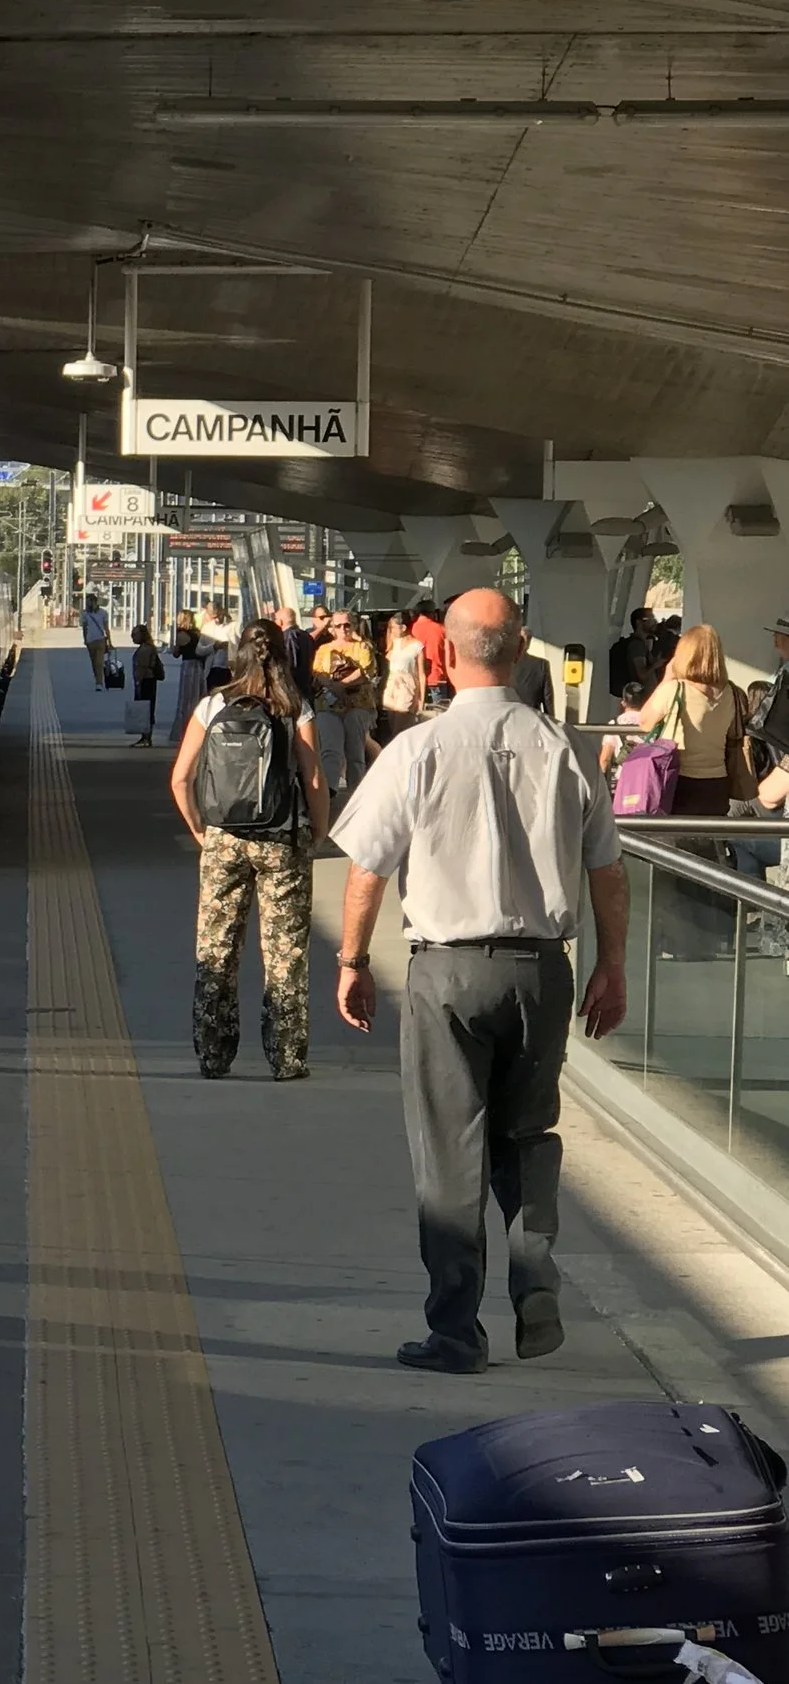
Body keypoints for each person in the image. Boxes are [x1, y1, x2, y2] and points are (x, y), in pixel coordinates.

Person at [332, 588, 628, 1375]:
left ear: (449, 654)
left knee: (448, 1152)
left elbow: (366, 868)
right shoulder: (566, 748)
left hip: (448, 973)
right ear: (521, 645)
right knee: (528, 1136)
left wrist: (352, 960)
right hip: (542, 972)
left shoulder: (416, 750)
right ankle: (534, 1280)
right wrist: (612, 964)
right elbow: (608, 871)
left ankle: (457, 1332)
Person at [169, 621, 330, 1080]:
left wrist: (202, 830)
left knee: (216, 951)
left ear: (237, 655)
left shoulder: (212, 705)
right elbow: (314, 779)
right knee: (285, 954)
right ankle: (286, 1058)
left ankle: (214, 1055)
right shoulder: (295, 708)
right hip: (283, 840)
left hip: (224, 839)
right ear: (283, 656)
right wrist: (317, 832)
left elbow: (180, 778)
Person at [637, 622, 746, 820]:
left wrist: (666, 678)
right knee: (709, 845)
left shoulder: (674, 689)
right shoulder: (734, 693)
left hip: (677, 781)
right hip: (718, 784)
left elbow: (645, 722)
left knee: (671, 846)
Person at [311, 608, 380, 796]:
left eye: (347, 624)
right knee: (330, 750)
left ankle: (355, 794)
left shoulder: (363, 647)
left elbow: (366, 671)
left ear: (354, 625)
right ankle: (329, 792)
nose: (343, 629)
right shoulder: (323, 649)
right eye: (338, 625)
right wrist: (334, 685)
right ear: (332, 628)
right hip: (328, 706)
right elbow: (317, 672)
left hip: (357, 705)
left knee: (355, 752)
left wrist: (340, 684)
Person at [379, 611, 427, 744]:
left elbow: (421, 674)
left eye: (394, 627)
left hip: (407, 685)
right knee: (392, 724)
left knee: (400, 727)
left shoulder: (417, 646)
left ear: (403, 627)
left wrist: (421, 698)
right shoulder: (395, 643)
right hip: (392, 684)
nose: (392, 631)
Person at [169, 609, 209, 738]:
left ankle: (183, 729)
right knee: (197, 696)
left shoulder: (181, 634)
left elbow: (176, 653)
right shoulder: (197, 634)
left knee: (185, 698)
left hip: (188, 666)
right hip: (199, 667)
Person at [128, 622, 164, 746]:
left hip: (145, 682)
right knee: (148, 709)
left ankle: (146, 737)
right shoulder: (148, 647)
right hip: (149, 681)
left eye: (135, 634)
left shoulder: (145, 649)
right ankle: (146, 736)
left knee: (145, 709)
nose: (132, 637)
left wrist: (138, 683)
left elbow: (142, 668)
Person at [197, 600, 240, 691]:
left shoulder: (234, 626)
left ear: (222, 611)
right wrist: (213, 647)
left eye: (217, 616)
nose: (216, 620)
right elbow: (199, 650)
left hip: (228, 669)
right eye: (213, 617)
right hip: (212, 669)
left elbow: (241, 646)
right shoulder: (207, 628)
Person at [412, 600, 450, 698]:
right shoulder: (440, 629)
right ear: (432, 612)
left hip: (417, 678)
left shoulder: (411, 629)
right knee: (438, 710)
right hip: (437, 676)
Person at [79, 594, 112, 688]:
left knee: (99, 662)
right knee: (94, 661)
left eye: (89, 601)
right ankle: (97, 677)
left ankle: (99, 682)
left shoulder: (103, 613)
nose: (87, 603)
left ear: (94, 601)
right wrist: (85, 640)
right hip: (90, 641)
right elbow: (84, 628)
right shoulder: (85, 614)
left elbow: (106, 628)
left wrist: (110, 642)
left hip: (101, 639)